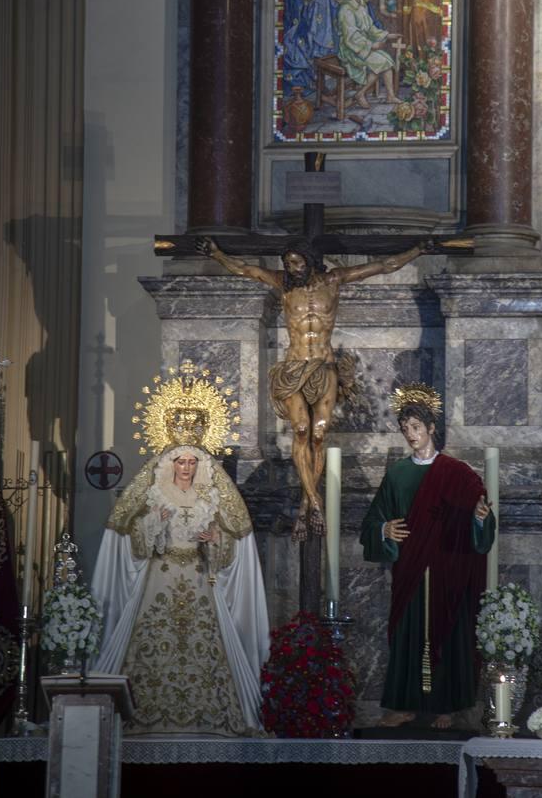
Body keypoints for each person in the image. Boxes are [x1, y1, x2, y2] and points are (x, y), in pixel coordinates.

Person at [197, 235, 431, 539]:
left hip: (324, 367)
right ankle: (316, 501)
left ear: (310, 261)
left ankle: (307, 503)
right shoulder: (283, 284)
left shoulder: (332, 281)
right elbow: (244, 269)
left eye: (297, 262)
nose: (292, 268)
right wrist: (216, 253)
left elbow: (383, 266)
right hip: (293, 367)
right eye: (288, 263)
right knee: (302, 431)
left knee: (319, 434)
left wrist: (416, 250)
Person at [90, 444, 270, 736]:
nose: (186, 468)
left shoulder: (208, 496)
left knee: (205, 644)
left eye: (191, 462)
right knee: (152, 642)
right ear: (170, 464)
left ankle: (209, 719)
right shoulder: (155, 494)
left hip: (199, 579)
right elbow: (136, 537)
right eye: (180, 462)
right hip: (161, 576)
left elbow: (226, 544)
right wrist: (153, 523)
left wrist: (214, 538)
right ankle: (145, 718)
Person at [360, 384, 495, 729]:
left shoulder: (457, 472)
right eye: (405, 429)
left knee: (446, 629)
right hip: (410, 569)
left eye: (416, 428)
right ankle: (403, 706)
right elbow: (373, 520)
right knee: (408, 631)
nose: (411, 435)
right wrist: (384, 531)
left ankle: (446, 706)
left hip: (448, 567)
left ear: (432, 428)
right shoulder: (397, 474)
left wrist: (480, 517)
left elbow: (478, 512)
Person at [335, 0, 400, 107]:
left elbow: (370, 28)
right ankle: (360, 93)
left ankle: (390, 96)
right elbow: (351, 36)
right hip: (351, 49)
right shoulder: (346, 9)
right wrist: (371, 45)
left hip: (362, 46)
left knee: (386, 60)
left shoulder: (360, 5)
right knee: (380, 62)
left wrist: (387, 35)